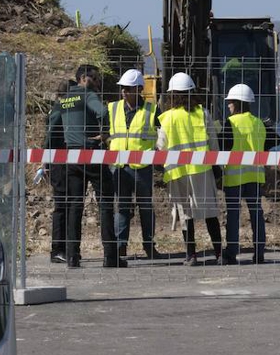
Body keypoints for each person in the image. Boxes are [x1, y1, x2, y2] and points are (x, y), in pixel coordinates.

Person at [156, 72, 224, 265]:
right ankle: (219, 253)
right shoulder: (203, 113)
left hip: (177, 171)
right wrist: (217, 166)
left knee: (186, 214)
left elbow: (161, 147)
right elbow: (213, 142)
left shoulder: (165, 118)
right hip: (201, 170)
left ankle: (191, 255)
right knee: (210, 212)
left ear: (171, 95)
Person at [57, 64, 119, 268]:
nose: (97, 82)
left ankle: (72, 256)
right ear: (83, 78)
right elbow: (102, 112)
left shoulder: (65, 98)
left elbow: (53, 123)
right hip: (92, 153)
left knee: (75, 206)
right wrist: (105, 133)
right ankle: (110, 256)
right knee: (105, 204)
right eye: (94, 78)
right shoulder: (87, 94)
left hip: (72, 156)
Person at [108, 69, 164, 261]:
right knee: (122, 207)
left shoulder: (152, 110)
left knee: (145, 207)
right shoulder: (113, 108)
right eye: (123, 88)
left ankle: (149, 246)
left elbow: (163, 133)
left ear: (139, 89)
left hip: (142, 166)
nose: (124, 92)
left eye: (129, 88)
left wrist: (158, 151)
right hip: (119, 165)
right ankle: (120, 247)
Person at [219, 84, 268, 264]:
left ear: (237, 103)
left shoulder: (231, 123)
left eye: (230, 102)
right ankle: (260, 252)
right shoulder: (259, 123)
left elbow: (224, 146)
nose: (228, 106)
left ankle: (231, 252)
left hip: (234, 176)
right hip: (255, 176)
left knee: (233, 214)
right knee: (256, 213)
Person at [43, 78, 74, 264]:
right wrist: (45, 161)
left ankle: (64, 248)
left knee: (66, 206)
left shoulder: (59, 109)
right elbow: (49, 139)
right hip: (59, 164)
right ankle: (58, 249)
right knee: (62, 207)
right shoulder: (59, 111)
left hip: (62, 163)